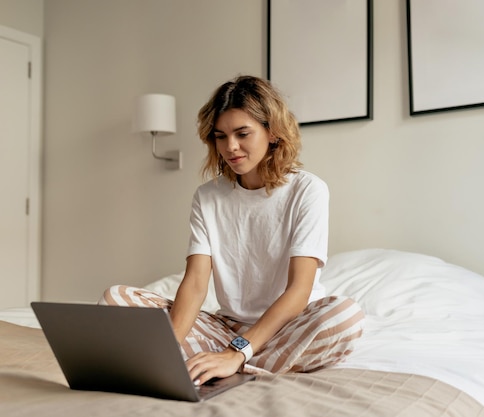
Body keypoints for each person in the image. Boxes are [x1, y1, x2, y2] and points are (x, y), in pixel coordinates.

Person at [100, 75, 364, 385]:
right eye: (220, 136)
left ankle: (232, 363)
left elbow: (299, 291)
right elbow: (196, 283)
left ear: (273, 132)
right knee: (116, 298)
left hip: (288, 327)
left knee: (345, 316)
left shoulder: (308, 191)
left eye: (242, 134)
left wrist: (237, 352)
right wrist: (167, 351)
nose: (230, 147)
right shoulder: (208, 197)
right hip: (224, 327)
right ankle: (231, 362)